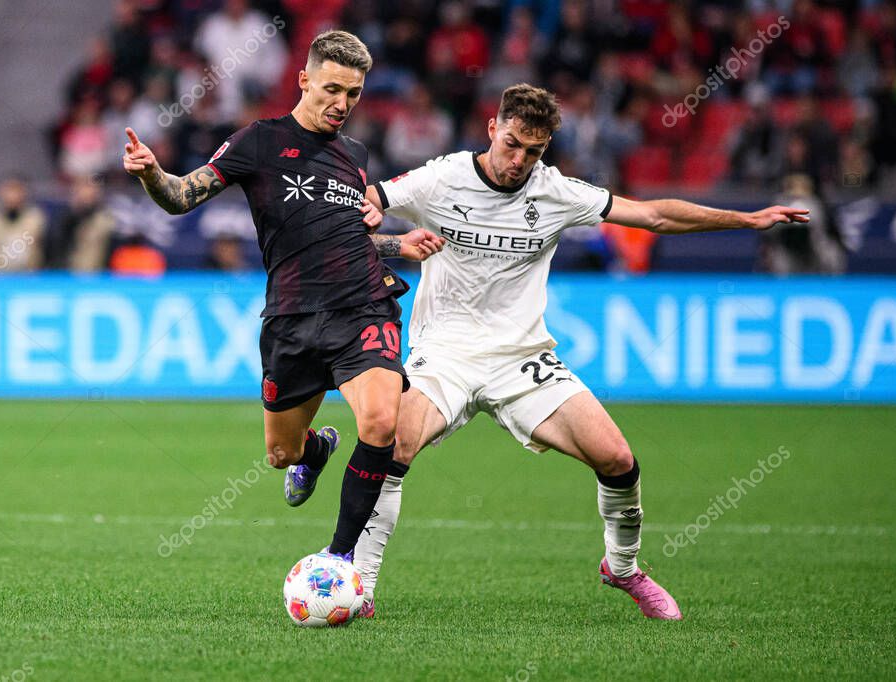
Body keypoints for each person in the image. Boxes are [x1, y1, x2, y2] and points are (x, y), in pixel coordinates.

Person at [345, 84, 808, 620]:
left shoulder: (556, 192)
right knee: (393, 446)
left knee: (617, 459)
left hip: (521, 357)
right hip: (443, 351)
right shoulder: (441, 177)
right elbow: (366, 203)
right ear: (493, 129)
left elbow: (653, 216)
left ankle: (623, 568)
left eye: (534, 151)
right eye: (512, 144)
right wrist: (376, 229)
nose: (519, 160)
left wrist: (745, 220)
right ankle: (362, 586)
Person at [122, 30, 443, 561]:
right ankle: (315, 449)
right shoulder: (259, 141)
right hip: (293, 318)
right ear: (304, 79)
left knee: (383, 422)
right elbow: (181, 197)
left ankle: (339, 560)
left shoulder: (356, 154)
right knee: (280, 453)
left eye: (355, 93)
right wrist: (153, 172)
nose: (342, 104)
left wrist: (396, 244)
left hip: (363, 305)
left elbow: (343, 231)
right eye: (332, 89)